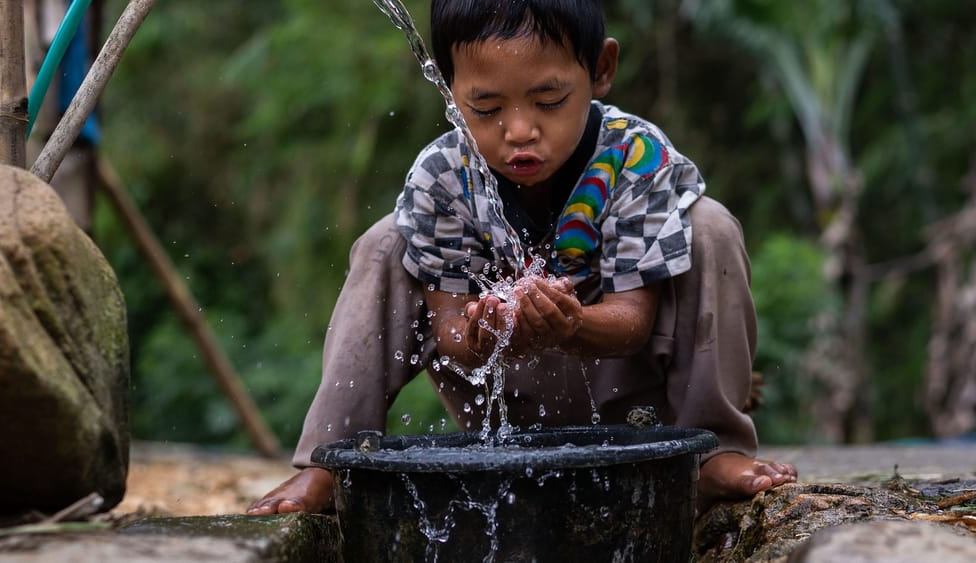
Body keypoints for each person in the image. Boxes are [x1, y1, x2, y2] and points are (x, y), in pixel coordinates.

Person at [248, 0, 796, 517]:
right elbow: (450, 336)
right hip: (505, 403)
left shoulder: (635, 160)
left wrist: (571, 326)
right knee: (384, 243)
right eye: (485, 108)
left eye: (548, 101)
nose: (518, 131)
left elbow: (633, 323)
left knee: (710, 227)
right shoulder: (444, 179)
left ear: (601, 69)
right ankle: (331, 461)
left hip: (633, 403)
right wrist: (482, 334)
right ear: (447, 84)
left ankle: (711, 452)